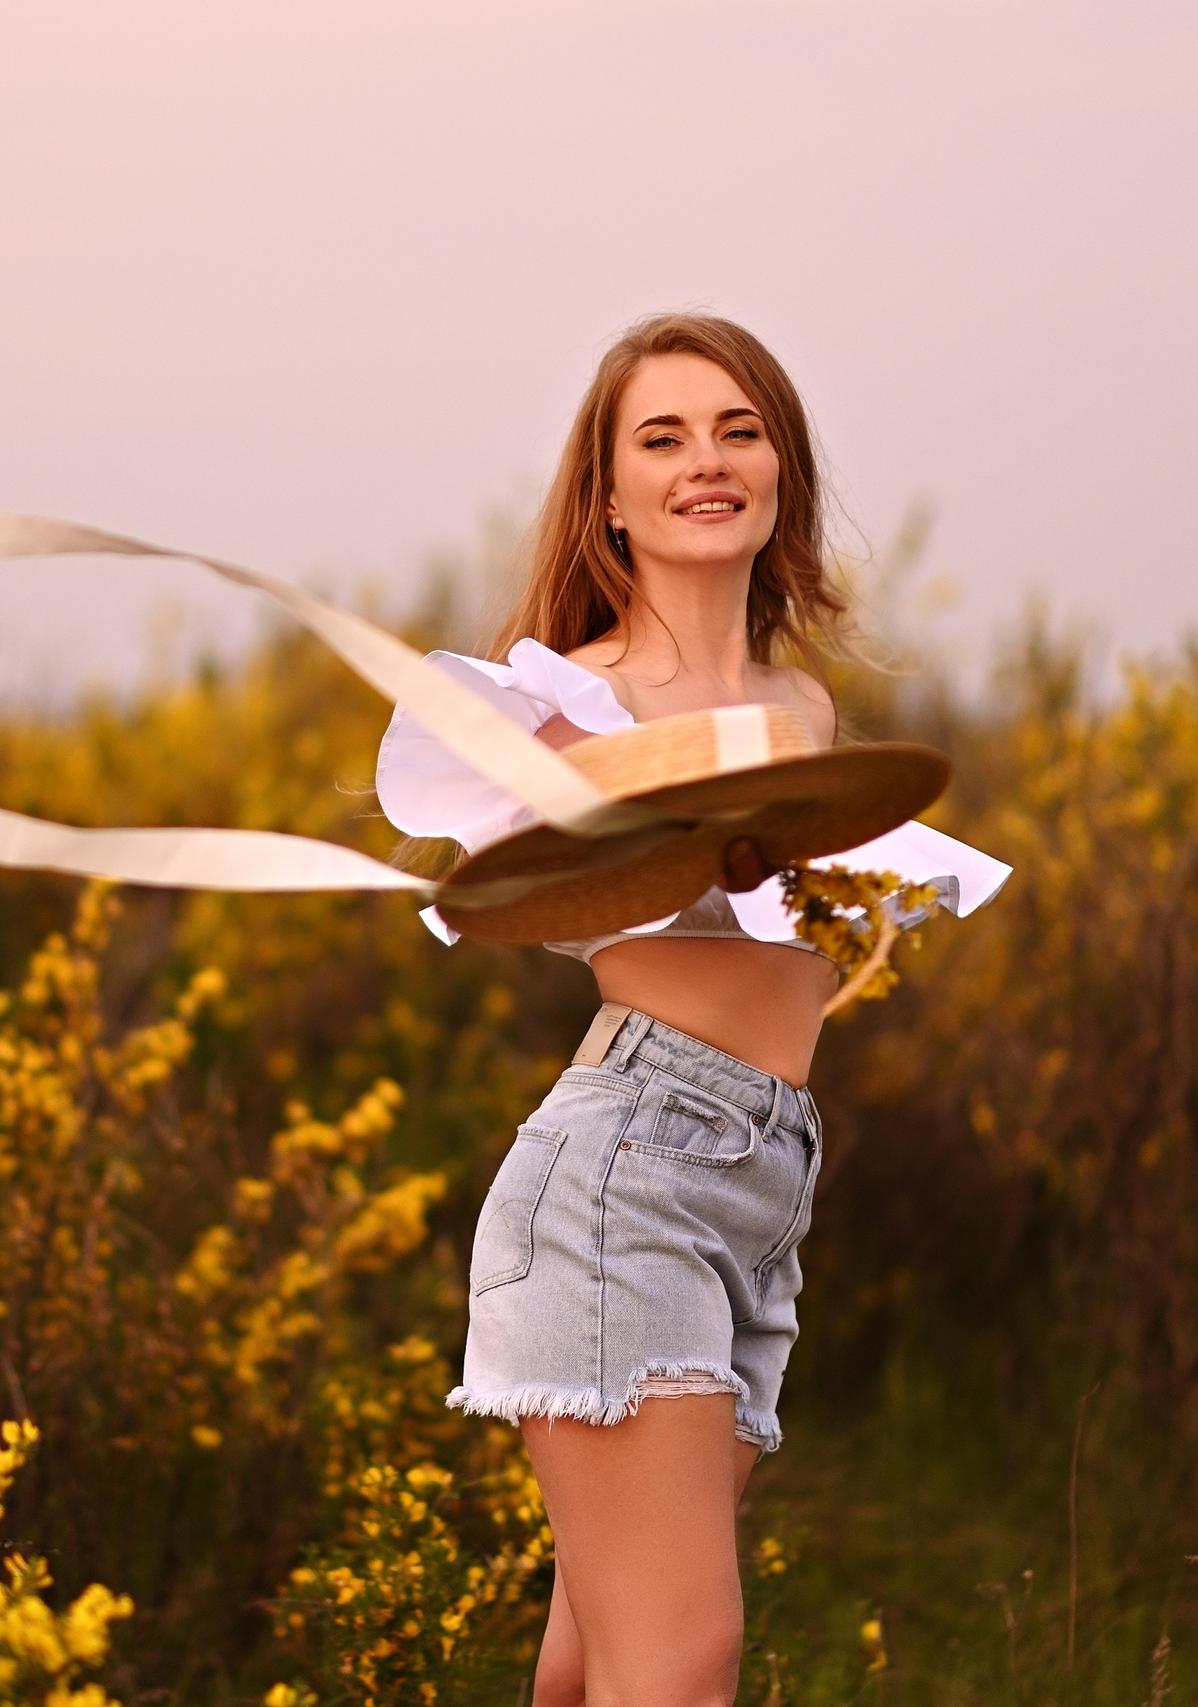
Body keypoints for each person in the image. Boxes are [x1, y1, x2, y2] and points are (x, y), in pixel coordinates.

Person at [377, 313, 866, 1707]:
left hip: (763, 1184)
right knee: (682, 1661)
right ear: (609, 496)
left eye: (739, 429)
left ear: (783, 469)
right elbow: (506, 883)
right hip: (629, 1174)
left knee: (597, 1665)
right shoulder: (560, 704)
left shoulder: (804, 705)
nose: (705, 463)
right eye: (662, 438)